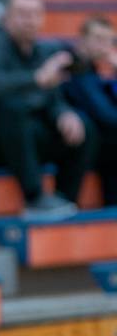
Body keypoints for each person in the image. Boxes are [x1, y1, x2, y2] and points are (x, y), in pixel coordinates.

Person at [0, 0, 96, 219]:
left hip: (17, 139)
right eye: (23, 14)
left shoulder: (42, 51)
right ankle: (34, 198)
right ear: (5, 17)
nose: (30, 20)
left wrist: (63, 112)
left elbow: (51, 98)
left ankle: (65, 201)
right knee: (12, 108)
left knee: (81, 124)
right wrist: (37, 78)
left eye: (36, 14)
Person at [63, 15, 117, 206]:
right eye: (98, 38)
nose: (103, 46)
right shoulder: (72, 65)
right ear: (82, 39)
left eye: (108, 40)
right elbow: (105, 115)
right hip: (70, 144)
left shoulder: (96, 71)